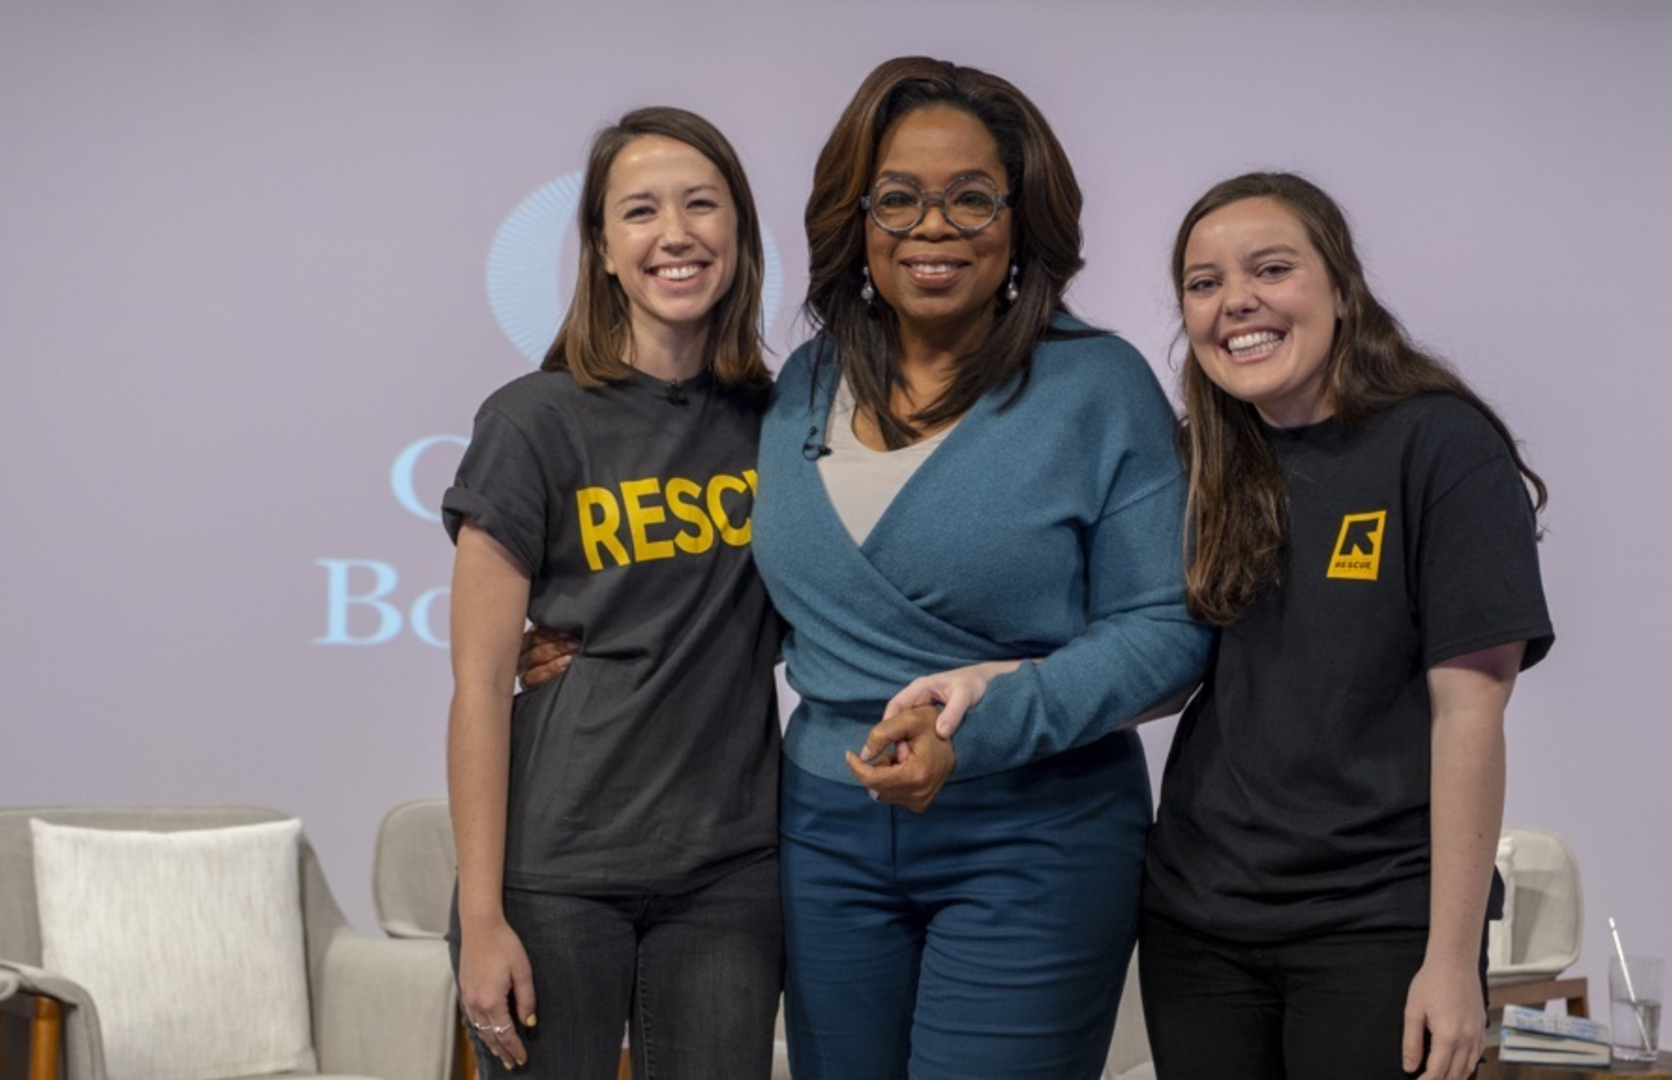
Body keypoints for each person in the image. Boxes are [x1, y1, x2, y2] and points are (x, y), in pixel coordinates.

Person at [748, 57, 1213, 1080]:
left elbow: (1168, 631)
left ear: (1021, 219)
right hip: (826, 832)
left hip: (1034, 835)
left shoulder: (1098, 385)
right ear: (855, 216)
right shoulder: (801, 385)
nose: (933, 226)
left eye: (971, 198)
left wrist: (983, 726)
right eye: (899, 198)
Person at [1138, 172, 1553, 1080]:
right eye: (1203, 284)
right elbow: (1146, 663)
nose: (1235, 301)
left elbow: (1471, 714)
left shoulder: (1440, 446)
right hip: (1197, 924)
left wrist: (1451, 962)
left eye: (1271, 268)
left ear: (1340, 286)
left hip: (1378, 925)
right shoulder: (1199, 460)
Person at [442, 107, 782, 1080]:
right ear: (600, 248)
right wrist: (481, 917)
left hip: (729, 873)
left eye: (700, 205)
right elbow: (478, 686)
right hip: (556, 872)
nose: (674, 232)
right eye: (639, 211)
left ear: (737, 235)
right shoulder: (532, 421)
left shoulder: (779, 419)